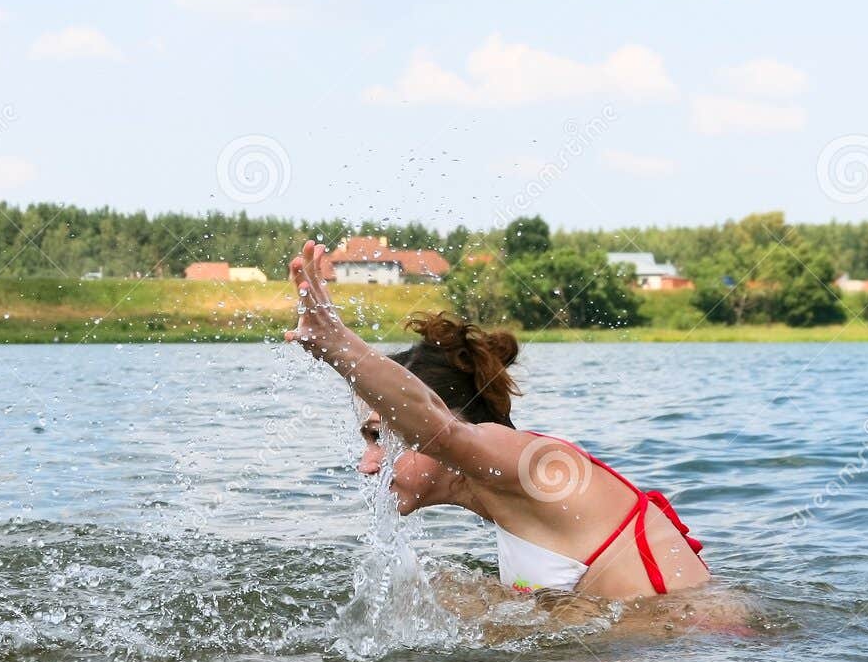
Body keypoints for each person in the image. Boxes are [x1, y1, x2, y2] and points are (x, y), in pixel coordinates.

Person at [286, 240, 709, 601]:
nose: (368, 465)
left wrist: (336, 347)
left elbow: (439, 429)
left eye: (383, 437)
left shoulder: (530, 462)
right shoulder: (508, 496)